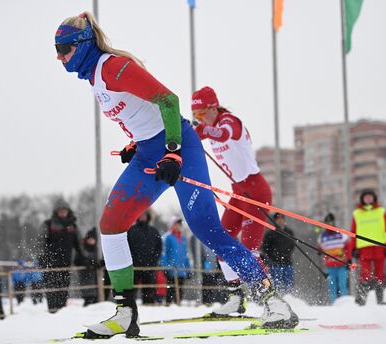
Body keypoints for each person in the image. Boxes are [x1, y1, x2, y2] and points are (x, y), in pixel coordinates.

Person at [53, 11, 298, 338]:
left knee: (207, 229)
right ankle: (125, 312)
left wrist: (170, 148)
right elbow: (142, 115)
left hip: (180, 148)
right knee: (111, 225)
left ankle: (273, 301)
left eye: (64, 47)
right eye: (56, 49)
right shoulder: (96, 77)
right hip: (148, 155)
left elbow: (169, 101)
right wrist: (134, 144)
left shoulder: (113, 67)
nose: (59, 56)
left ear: (83, 44)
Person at [191, 86, 273, 315]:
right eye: (195, 115)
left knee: (249, 250)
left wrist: (204, 130)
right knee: (221, 242)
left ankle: (271, 302)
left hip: (255, 191)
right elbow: (200, 135)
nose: (199, 119)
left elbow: (226, 134)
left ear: (213, 107)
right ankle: (236, 298)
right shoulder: (210, 125)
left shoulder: (229, 120)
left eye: (201, 113)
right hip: (237, 193)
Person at [39, 199, 83, 313]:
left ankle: (62, 313)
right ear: (56, 212)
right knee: (52, 290)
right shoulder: (48, 224)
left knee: (64, 289)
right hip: (50, 265)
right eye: (60, 211)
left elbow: (79, 245)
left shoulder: (73, 226)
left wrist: (83, 258)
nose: (63, 213)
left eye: (65, 211)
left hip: (66, 264)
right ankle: (52, 312)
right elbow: (40, 243)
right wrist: (42, 258)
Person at [351, 189, 386, 305]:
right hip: (364, 248)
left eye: (370, 197)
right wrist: (353, 248)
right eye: (366, 197)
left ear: (374, 198)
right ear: (362, 199)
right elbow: (353, 232)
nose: (368, 199)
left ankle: (380, 300)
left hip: (379, 246)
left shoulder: (380, 211)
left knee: (380, 274)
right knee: (365, 274)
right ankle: (361, 299)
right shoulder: (357, 213)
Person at [127, 212, 162, 305]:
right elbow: (127, 247)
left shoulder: (153, 231)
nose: (142, 217)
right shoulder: (131, 230)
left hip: (149, 266)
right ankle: (130, 305)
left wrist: (153, 261)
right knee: (131, 289)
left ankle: (149, 306)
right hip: (134, 267)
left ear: (148, 217)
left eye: (144, 215)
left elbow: (159, 248)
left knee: (149, 291)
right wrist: (132, 260)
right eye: (140, 215)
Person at [317, 213, 351, 304]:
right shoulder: (322, 236)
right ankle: (333, 303)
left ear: (333, 222)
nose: (329, 224)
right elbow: (319, 248)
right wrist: (319, 251)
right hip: (330, 266)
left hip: (341, 264)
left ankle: (345, 303)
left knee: (343, 285)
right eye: (327, 222)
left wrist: (349, 259)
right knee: (332, 286)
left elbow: (348, 246)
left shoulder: (341, 233)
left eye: (331, 222)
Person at [260, 213, 296, 295]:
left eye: (282, 219)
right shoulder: (270, 234)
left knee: (289, 284)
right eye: (278, 219)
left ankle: (289, 297)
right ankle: (278, 297)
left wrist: (286, 254)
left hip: (287, 262)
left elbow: (292, 246)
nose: (280, 221)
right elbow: (265, 248)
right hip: (275, 263)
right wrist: (272, 257)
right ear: (275, 221)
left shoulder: (289, 232)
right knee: (277, 284)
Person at [160, 216, 191, 305]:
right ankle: (168, 306)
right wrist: (165, 267)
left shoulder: (183, 238)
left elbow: (186, 255)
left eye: (179, 224)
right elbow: (164, 253)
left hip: (181, 270)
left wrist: (188, 269)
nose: (177, 226)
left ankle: (178, 306)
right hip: (171, 269)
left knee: (180, 291)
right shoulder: (167, 237)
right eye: (175, 224)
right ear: (171, 225)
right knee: (170, 290)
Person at [75, 227, 100, 306]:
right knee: (88, 297)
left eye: (93, 239)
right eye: (90, 239)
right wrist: (87, 263)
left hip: (95, 278)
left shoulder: (96, 249)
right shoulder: (82, 249)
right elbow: (77, 261)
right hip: (85, 277)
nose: (91, 241)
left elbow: (97, 261)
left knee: (95, 298)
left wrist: (97, 264)